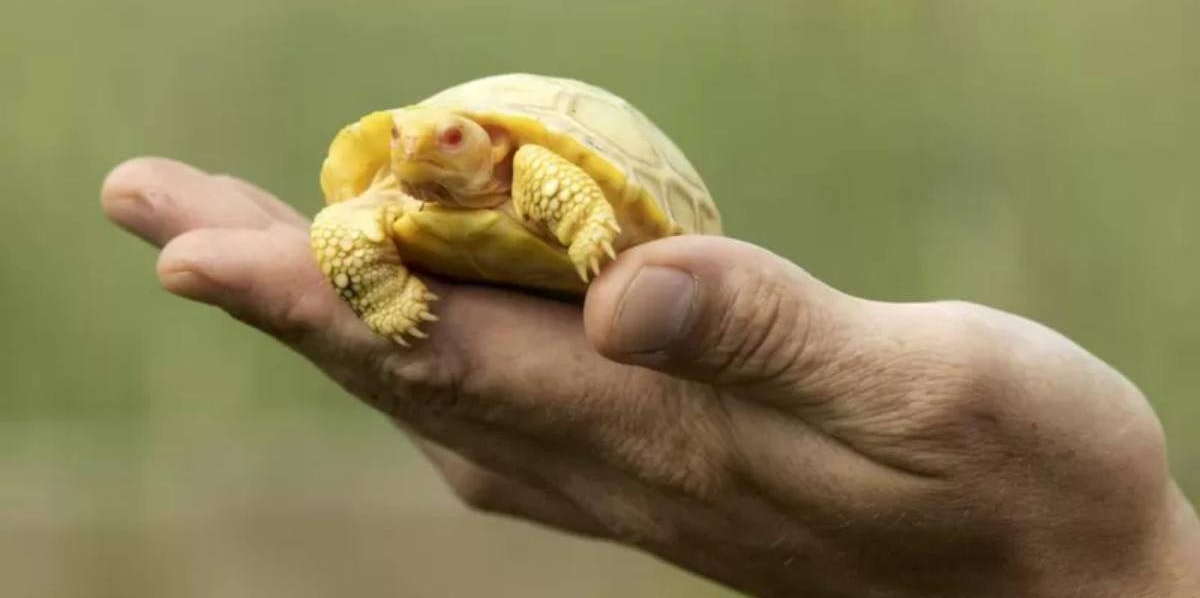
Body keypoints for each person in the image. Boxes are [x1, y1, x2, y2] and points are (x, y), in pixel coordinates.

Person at [101, 157, 1200, 597]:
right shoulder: (394, 201)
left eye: (461, 139)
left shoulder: (530, 168)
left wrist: (1117, 564)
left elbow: (560, 180)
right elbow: (349, 230)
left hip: (597, 246)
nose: (439, 148)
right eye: (421, 139)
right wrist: (385, 296)